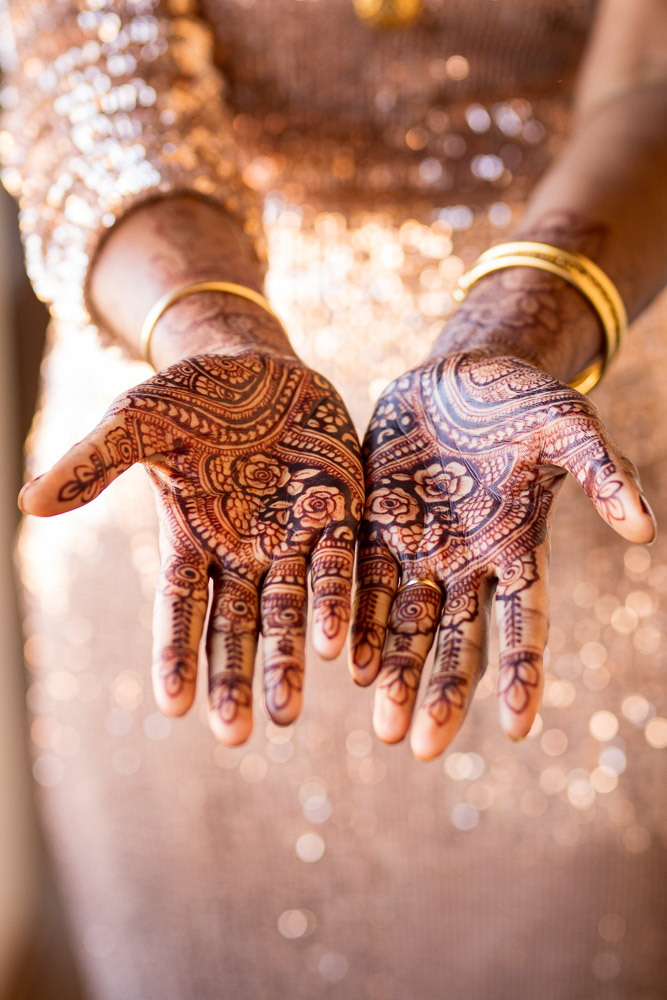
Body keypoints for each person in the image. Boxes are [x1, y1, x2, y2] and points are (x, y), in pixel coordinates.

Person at [3, 0, 667, 996]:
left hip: (545, 434)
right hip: (194, 463)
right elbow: (85, 61)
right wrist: (212, 330)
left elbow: (649, 80)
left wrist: (512, 329)